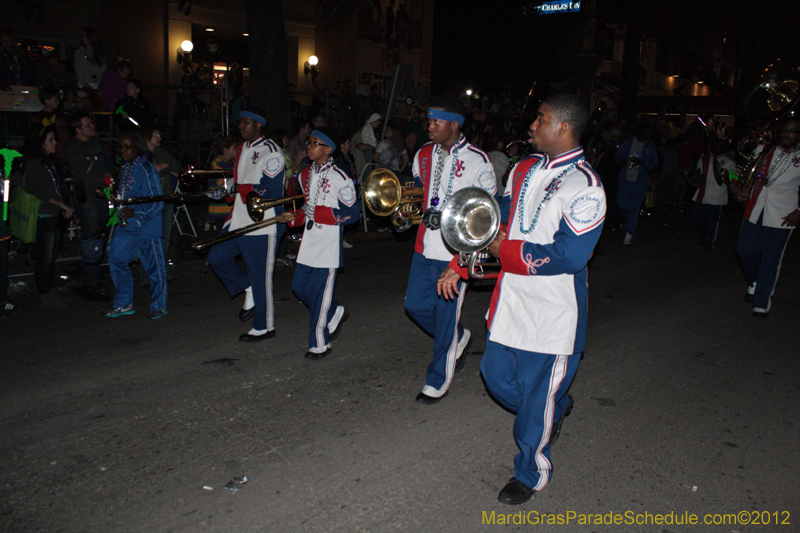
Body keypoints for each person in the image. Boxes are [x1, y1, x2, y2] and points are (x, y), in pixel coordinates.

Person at [441, 93, 606, 505]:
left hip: (553, 313)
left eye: (541, 118)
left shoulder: (587, 187)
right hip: (512, 299)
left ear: (564, 128)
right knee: (494, 377)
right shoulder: (524, 168)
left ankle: (532, 472)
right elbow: (491, 221)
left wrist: (505, 253)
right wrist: (460, 263)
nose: (532, 125)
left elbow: (570, 255)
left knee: (534, 403)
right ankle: (553, 405)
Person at [404, 97, 497, 404]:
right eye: (428, 121)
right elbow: (419, 194)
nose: (428, 127)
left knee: (445, 318)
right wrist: (410, 210)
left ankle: (438, 379)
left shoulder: (478, 160)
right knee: (415, 305)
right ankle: (457, 337)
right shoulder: (423, 154)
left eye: (436, 122)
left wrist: (464, 256)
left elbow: (486, 214)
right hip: (424, 246)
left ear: (454, 125)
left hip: (455, 254)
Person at [207, 107, 286, 342]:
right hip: (238, 218)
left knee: (261, 276)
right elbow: (239, 178)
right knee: (216, 257)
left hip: (263, 222)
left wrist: (238, 188)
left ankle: (264, 326)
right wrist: (224, 189)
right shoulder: (242, 148)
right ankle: (248, 288)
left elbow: (269, 191)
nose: (240, 127)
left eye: (245, 122)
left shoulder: (272, 152)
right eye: (240, 122)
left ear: (258, 125)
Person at [287, 129, 359, 358]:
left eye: (315, 143)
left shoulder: (341, 176)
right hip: (308, 242)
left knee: (319, 295)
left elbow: (352, 213)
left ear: (328, 149)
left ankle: (319, 344)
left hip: (328, 244)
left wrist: (319, 213)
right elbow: (307, 207)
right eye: (309, 142)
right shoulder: (305, 173)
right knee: (299, 287)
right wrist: (294, 217)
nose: (309, 147)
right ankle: (332, 310)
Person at [732, 117, 800, 317]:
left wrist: (799, 212)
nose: (787, 134)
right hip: (754, 210)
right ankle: (754, 282)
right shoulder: (764, 150)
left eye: (793, 131)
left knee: (771, 260)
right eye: (785, 130)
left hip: (782, 215)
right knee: (744, 253)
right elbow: (736, 172)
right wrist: (735, 187)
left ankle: (761, 303)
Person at [105, 131, 167, 319]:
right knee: (116, 257)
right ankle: (124, 303)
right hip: (128, 226)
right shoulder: (126, 168)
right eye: (121, 147)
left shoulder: (146, 169)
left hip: (147, 227)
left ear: (137, 148)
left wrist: (136, 212)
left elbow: (157, 201)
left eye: (127, 147)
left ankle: (159, 305)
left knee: (154, 268)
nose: (123, 151)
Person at [23, 125, 74, 310]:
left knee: (50, 255)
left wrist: (64, 206)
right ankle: (45, 293)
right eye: (50, 140)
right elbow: (36, 190)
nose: (55, 143)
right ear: (41, 143)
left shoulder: (47, 162)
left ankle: (49, 290)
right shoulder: (34, 163)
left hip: (52, 213)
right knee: (44, 257)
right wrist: (60, 204)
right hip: (44, 214)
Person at [63, 112, 112, 293]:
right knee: (91, 236)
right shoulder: (73, 146)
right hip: (87, 199)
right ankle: (92, 279)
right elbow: (97, 147)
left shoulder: (95, 146)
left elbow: (108, 162)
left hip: (101, 196)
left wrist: (109, 173)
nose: (93, 127)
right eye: (88, 125)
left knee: (101, 232)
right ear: (77, 129)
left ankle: (98, 269)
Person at [615, 122, 658, 244]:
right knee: (621, 205)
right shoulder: (628, 142)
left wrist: (643, 162)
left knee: (634, 207)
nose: (648, 134)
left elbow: (654, 164)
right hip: (625, 180)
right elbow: (617, 157)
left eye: (650, 132)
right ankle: (627, 223)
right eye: (646, 131)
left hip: (640, 181)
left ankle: (629, 233)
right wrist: (623, 161)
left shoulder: (650, 146)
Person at [689, 139, 732, 252]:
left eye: (719, 145)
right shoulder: (704, 159)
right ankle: (706, 237)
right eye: (715, 144)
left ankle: (708, 243)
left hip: (717, 196)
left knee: (712, 221)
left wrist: (725, 174)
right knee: (696, 216)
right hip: (702, 194)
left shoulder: (729, 162)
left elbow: (732, 179)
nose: (716, 147)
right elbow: (696, 174)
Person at [207, 136, 236, 232]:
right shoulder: (217, 164)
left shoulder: (230, 163)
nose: (236, 150)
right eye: (233, 148)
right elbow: (224, 184)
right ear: (225, 150)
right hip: (221, 210)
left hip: (229, 208)